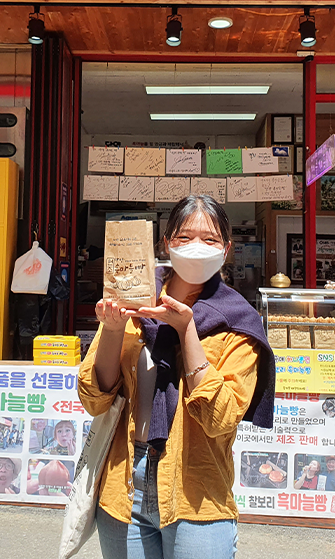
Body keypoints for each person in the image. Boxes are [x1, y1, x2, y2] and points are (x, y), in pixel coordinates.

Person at [78, 194, 276, 559]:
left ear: (227, 249)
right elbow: (95, 397)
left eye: (210, 239)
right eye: (184, 238)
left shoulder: (238, 322)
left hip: (197, 492)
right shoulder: (134, 299)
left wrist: (187, 332)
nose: (196, 247)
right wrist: (112, 329)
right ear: (166, 243)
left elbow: (221, 419)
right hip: (125, 486)